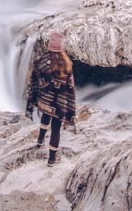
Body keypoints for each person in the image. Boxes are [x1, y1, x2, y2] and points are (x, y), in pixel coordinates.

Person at [25, 30, 76, 165]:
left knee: (46, 115)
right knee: (56, 128)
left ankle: (40, 140)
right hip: (59, 103)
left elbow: (34, 81)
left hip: (45, 100)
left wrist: (35, 96)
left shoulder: (41, 62)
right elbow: (70, 87)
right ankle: (52, 158)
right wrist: (69, 106)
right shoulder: (67, 65)